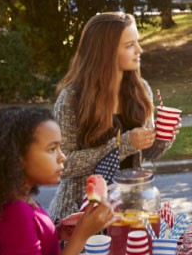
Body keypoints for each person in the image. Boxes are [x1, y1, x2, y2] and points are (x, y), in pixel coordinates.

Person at [0, 107, 114, 255]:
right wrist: (81, 237)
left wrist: (58, 234)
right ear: (17, 158)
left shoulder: (16, 201)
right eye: (52, 149)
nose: (62, 157)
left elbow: (27, 247)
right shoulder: (14, 214)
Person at [49, 12, 174, 222]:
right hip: (78, 217)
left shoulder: (141, 90)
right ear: (105, 53)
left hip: (128, 212)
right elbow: (64, 165)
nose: (139, 50)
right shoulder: (71, 98)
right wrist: (123, 144)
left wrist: (161, 136)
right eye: (129, 45)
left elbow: (147, 154)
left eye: (138, 43)